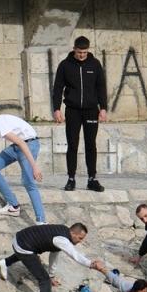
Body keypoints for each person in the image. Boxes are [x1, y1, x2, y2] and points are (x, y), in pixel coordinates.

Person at [0, 222, 104, 292]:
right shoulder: (62, 240)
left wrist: (52, 275)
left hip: (19, 238)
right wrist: (91, 264)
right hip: (23, 245)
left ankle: (5, 262)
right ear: (72, 232)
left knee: (29, 253)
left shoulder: (62, 230)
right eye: (80, 238)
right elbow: (74, 255)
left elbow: (54, 253)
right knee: (44, 281)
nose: (81, 241)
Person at [51, 35, 107, 192]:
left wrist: (103, 108)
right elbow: (57, 88)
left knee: (91, 145)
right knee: (72, 145)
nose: (82, 55)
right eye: (79, 52)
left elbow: (101, 87)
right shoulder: (65, 65)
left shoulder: (95, 64)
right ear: (74, 49)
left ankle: (92, 179)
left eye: (84, 52)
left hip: (91, 110)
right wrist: (56, 109)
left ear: (88, 50)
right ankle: (71, 179)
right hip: (73, 110)